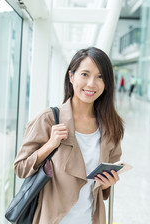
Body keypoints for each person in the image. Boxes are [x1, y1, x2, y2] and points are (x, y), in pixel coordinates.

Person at [14, 47, 124, 224]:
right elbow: (20, 168)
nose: (91, 84)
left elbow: (102, 190)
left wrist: (106, 183)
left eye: (100, 76)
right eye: (85, 74)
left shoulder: (111, 127)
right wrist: (50, 145)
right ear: (71, 77)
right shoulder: (48, 119)